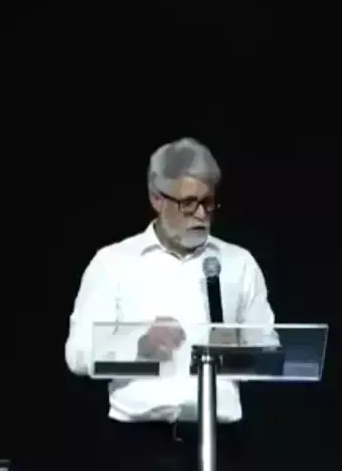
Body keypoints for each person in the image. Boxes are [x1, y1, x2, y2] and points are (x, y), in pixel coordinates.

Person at [64, 137, 278, 471]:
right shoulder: (113, 263)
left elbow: (270, 352)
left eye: (208, 203)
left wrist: (239, 350)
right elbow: (78, 354)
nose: (201, 215)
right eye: (188, 203)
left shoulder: (239, 263)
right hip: (140, 445)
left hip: (224, 443)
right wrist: (139, 345)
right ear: (157, 199)